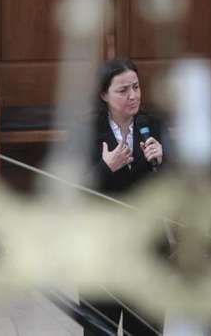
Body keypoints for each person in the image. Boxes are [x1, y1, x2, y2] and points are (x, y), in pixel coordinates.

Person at [78, 57, 167, 336]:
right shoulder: (85, 132)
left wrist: (165, 160)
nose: (133, 96)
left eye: (136, 87)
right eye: (123, 90)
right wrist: (106, 168)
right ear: (103, 94)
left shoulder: (153, 125)